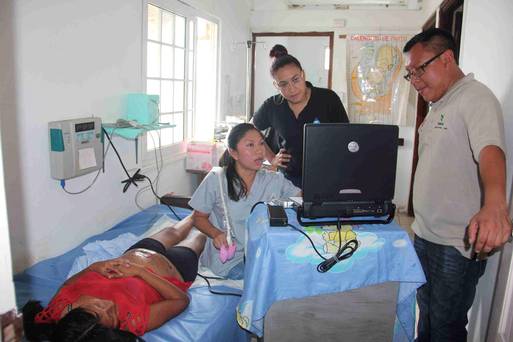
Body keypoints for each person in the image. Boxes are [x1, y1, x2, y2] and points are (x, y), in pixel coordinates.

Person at [403, 28, 512, 341]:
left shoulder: (475, 97)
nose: (416, 81)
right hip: (425, 234)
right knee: (427, 315)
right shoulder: (440, 105)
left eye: (420, 69)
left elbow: (491, 150)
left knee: (446, 327)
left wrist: (495, 204)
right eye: (410, 74)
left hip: (455, 244)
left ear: (447, 58)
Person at [23, 216, 206, 341]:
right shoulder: (132, 320)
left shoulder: (61, 308)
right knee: (200, 235)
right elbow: (181, 301)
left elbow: (68, 285)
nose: (109, 306)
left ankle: (195, 213)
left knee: (176, 229)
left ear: (74, 312)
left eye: (97, 307)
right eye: (110, 315)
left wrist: (93, 267)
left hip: (137, 251)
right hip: (174, 268)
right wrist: (141, 272)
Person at [189, 123, 300, 279]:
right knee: (266, 282)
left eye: (261, 143)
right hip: (230, 261)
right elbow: (198, 217)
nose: (259, 150)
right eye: (250, 145)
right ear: (233, 153)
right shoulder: (217, 179)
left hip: (265, 255)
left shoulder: (274, 179)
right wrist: (216, 234)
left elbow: (300, 199)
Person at [252, 51, 349, 187]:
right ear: (276, 85)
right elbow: (252, 128)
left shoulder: (328, 99)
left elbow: (346, 135)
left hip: (325, 177)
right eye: (284, 84)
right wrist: (271, 157)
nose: (292, 89)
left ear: (303, 75)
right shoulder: (272, 105)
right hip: (287, 180)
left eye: (295, 79)